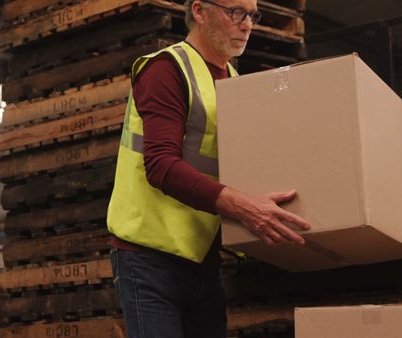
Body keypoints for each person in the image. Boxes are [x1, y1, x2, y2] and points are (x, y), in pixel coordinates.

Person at [106, 0, 311, 337]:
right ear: (199, 11)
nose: (246, 25)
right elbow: (160, 165)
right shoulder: (166, 69)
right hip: (149, 256)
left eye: (252, 15)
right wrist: (244, 208)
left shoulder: (231, 78)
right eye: (235, 12)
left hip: (203, 258)